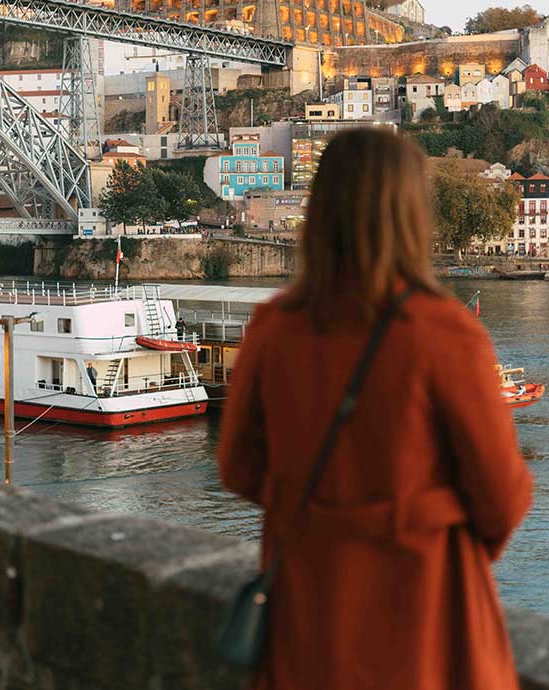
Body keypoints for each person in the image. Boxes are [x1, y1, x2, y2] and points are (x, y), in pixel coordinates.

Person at [218, 129, 532, 690]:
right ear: (414, 215)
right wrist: (423, 525)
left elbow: (238, 466)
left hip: (309, 611)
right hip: (424, 611)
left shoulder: (274, 328)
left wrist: (318, 512)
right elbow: (502, 496)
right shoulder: (444, 333)